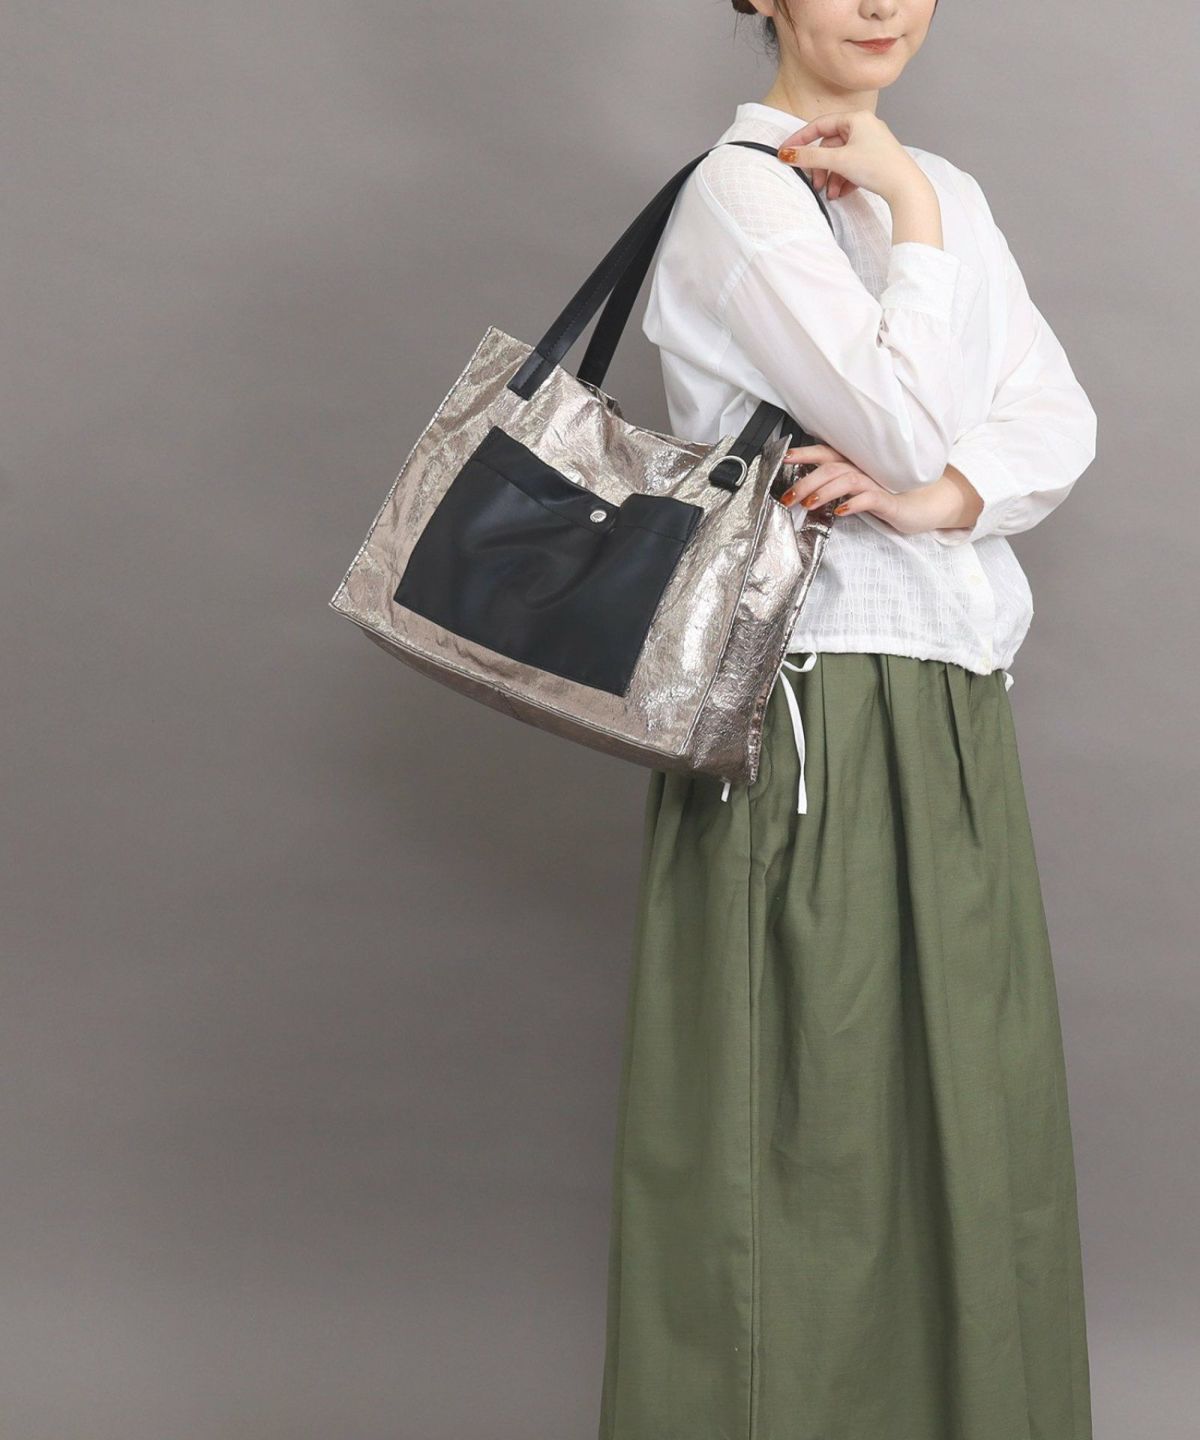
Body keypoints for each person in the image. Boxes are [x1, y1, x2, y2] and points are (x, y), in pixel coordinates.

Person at [597, 3, 1098, 1438]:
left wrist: (938, 502)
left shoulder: (945, 190)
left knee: (967, 1107)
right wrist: (916, 223)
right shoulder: (740, 196)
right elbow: (897, 416)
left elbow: (1055, 418)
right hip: (807, 698)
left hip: (947, 689)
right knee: (801, 1120)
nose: (883, 5)